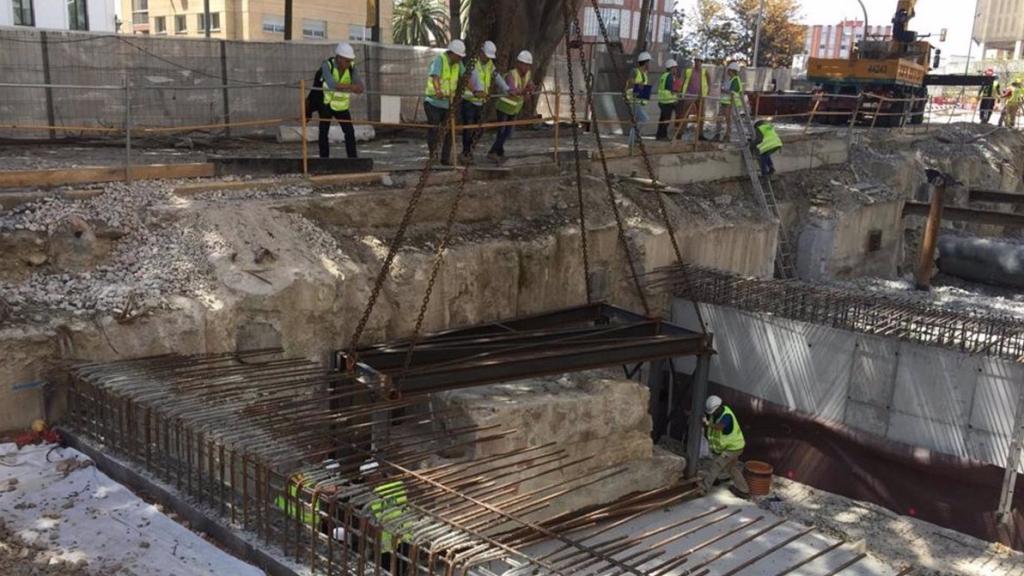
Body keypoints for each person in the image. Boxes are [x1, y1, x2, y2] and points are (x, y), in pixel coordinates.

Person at [361, 460, 412, 575]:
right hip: (404, 534)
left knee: (387, 570)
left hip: (386, 542)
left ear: (370, 477)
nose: (367, 483)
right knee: (402, 569)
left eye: (366, 479)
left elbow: (369, 525)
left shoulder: (373, 496)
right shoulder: (398, 486)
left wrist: (369, 544)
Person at [461, 40, 506, 164]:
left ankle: (470, 150)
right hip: (469, 100)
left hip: (480, 102)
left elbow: (497, 76)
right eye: (486, 55)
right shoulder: (473, 63)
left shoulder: (490, 64)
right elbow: (472, 79)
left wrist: (506, 89)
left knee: (479, 129)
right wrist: (478, 91)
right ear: (481, 52)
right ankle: (465, 152)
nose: (487, 58)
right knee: (469, 129)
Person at [425, 39, 468, 166]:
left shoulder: (458, 64)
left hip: (448, 103)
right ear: (452, 53)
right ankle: (433, 155)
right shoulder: (440, 60)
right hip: (433, 102)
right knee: (434, 129)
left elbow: (466, 77)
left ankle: (445, 158)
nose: (460, 59)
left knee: (450, 130)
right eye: (459, 56)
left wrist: (476, 90)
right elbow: (435, 77)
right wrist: (438, 90)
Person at [488, 50, 535, 164]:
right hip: (504, 107)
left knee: (508, 132)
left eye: (528, 65)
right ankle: (493, 152)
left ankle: (499, 151)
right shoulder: (511, 74)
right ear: (518, 64)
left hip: (514, 108)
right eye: (524, 64)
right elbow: (513, 90)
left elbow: (528, 86)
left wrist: (530, 90)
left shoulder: (528, 74)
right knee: (502, 131)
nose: (526, 67)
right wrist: (525, 91)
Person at [318, 42, 364, 159]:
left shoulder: (352, 68)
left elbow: (360, 88)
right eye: (346, 61)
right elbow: (332, 84)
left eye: (350, 60)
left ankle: (352, 159)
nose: (349, 63)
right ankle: (324, 160)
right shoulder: (327, 65)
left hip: (342, 106)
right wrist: (351, 86)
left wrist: (352, 86)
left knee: (349, 132)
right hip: (326, 104)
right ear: (338, 58)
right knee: (323, 132)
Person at [700, 395, 750, 497]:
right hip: (732, 446)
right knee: (731, 468)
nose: (712, 414)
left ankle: (704, 488)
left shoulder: (727, 416)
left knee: (716, 465)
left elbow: (719, 427)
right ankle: (744, 490)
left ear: (719, 407)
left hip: (733, 448)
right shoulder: (716, 413)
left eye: (713, 412)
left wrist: (707, 423)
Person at [679, 56, 710, 141]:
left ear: (701, 62)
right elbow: (684, 81)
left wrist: (707, 91)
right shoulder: (689, 71)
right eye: (696, 61)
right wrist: (681, 92)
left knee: (701, 115)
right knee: (685, 114)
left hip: (700, 96)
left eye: (698, 61)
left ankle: (700, 134)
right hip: (689, 95)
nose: (697, 63)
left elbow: (709, 81)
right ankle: (680, 133)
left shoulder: (704, 72)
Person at [626, 51, 653, 147]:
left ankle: (632, 142)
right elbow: (630, 81)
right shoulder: (634, 71)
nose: (650, 65)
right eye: (649, 62)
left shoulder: (645, 75)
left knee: (637, 122)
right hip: (633, 101)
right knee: (644, 119)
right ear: (645, 63)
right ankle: (635, 139)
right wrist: (637, 84)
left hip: (639, 101)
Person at [714, 62, 744, 141]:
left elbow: (732, 92)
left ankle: (727, 135)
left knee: (728, 120)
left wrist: (724, 90)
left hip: (730, 103)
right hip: (725, 102)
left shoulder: (736, 80)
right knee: (719, 118)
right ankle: (717, 134)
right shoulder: (731, 79)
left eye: (729, 70)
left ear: (732, 70)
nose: (728, 71)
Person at [655, 59, 681, 141]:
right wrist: (677, 93)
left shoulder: (664, 75)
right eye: (675, 68)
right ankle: (663, 136)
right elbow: (671, 90)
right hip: (668, 101)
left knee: (662, 119)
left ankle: (659, 135)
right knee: (666, 120)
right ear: (671, 68)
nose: (676, 70)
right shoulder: (669, 76)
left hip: (662, 101)